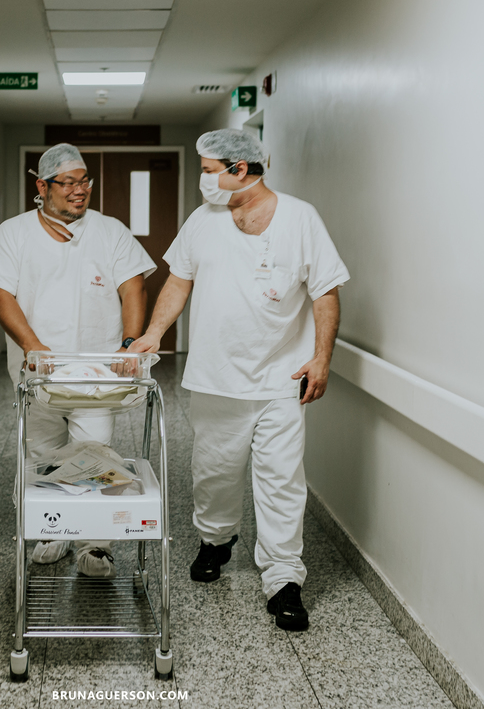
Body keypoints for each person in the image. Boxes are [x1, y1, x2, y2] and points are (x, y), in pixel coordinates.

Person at [129, 129, 349, 631]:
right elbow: (178, 280)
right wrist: (154, 333)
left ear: (240, 169)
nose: (203, 179)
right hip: (216, 376)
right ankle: (215, 539)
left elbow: (326, 292)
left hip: (281, 378)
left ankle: (284, 578)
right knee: (214, 473)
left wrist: (321, 357)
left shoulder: (301, 219)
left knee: (281, 480)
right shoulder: (202, 221)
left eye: (209, 170)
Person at [0, 142, 156, 577]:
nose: (80, 190)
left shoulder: (110, 231)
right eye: (69, 182)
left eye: (85, 181)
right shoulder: (14, 234)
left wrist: (130, 343)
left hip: (98, 374)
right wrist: (32, 345)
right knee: (44, 453)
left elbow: (133, 286)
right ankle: (54, 530)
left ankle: (95, 545)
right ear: (43, 187)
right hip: (40, 373)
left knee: (95, 451)